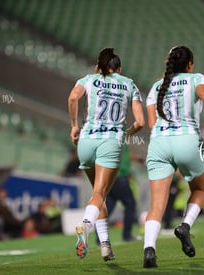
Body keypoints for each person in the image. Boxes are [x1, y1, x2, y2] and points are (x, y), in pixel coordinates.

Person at [142, 46, 204, 268]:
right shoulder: (196, 78)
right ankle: (185, 226)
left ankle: (149, 249)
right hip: (187, 139)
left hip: (158, 142)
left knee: (157, 204)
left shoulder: (156, 87)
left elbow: (151, 124)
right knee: (198, 189)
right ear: (190, 64)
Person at [68, 47, 145, 261]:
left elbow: (73, 98)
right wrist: (126, 133)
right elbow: (140, 122)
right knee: (99, 194)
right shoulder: (128, 83)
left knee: (97, 195)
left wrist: (74, 125)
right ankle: (85, 225)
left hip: (86, 140)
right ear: (118, 68)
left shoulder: (88, 80)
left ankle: (105, 247)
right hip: (110, 141)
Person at [104, 144, 142, 242]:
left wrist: (136, 158)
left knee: (108, 207)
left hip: (111, 177)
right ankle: (127, 235)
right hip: (119, 177)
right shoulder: (119, 136)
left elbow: (125, 156)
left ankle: (100, 237)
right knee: (130, 204)